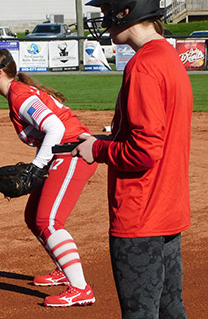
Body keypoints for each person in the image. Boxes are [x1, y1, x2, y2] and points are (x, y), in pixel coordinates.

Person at [73, 0, 192, 318]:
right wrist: (102, 141)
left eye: (106, 10)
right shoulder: (168, 56)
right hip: (167, 209)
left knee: (140, 313)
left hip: (140, 216)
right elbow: (156, 137)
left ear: (126, 11)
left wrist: (97, 151)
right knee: (170, 310)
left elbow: (144, 150)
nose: (102, 18)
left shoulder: (143, 65)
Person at [0, 49, 97, 307]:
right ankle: (64, 268)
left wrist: (36, 166)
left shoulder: (20, 95)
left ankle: (80, 288)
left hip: (73, 153)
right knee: (33, 216)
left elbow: (56, 127)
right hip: (64, 153)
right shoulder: (17, 93)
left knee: (48, 220)